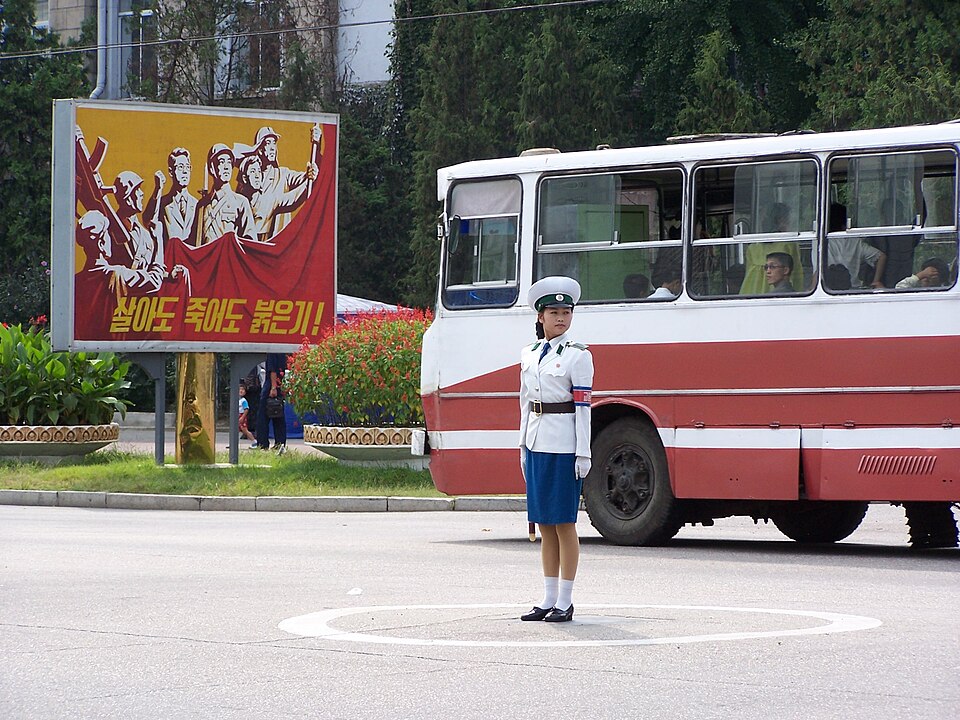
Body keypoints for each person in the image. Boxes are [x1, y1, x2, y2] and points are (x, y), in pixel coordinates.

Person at [518, 276, 594, 623]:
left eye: (566, 311)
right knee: (544, 524)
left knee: (564, 523)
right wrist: (522, 445)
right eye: (554, 311)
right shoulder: (530, 354)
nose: (561, 318)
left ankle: (566, 600)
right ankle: (548, 598)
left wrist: (584, 452)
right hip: (536, 443)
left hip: (564, 446)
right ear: (540, 316)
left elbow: (582, 408)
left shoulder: (578, 356)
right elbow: (525, 402)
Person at [193, 143, 257, 246]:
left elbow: (250, 241)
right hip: (207, 261)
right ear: (212, 168)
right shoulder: (202, 205)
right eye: (221, 162)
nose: (226, 167)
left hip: (229, 261)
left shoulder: (241, 202)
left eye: (229, 162)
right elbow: (194, 242)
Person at [739, 203, 804, 295]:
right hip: (778, 293)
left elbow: (747, 275)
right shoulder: (789, 245)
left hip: (750, 291)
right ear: (781, 221)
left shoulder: (752, 248)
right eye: (788, 221)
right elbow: (797, 275)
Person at [256, 353, 288, 455]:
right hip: (279, 383)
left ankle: (263, 443)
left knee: (262, 416)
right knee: (278, 415)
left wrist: (273, 387)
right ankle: (280, 443)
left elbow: (272, 369)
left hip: (271, 384)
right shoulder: (283, 352)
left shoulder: (273, 350)